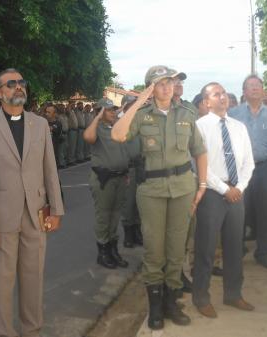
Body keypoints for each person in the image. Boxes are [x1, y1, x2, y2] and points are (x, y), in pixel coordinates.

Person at [111, 65, 208, 330]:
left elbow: (199, 150)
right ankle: (155, 307)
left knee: (176, 250)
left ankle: (171, 303)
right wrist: (141, 99)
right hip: (152, 190)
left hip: (183, 188)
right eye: (161, 83)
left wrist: (201, 184)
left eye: (170, 82)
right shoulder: (141, 115)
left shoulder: (186, 113)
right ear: (151, 87)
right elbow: (118, 134)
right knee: (155, 251)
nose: (167, 87)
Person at [0, 68, 64, 337]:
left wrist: (56, 210)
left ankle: (31, 330)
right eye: (10, 84)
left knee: (33, 279)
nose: (18, 87)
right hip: (1, 219)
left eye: (21, 82)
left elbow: (50, 169)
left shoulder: (40, 124)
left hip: (35, 215)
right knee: (2, 282)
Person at [193, 82, 255, 318]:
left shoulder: (239, 127)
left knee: (234, 247)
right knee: (206, 248)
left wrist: (238, 187)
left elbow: (248, 162)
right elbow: (200, 165)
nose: (223, 97)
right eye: (216, 94)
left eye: (224, 93)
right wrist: (222, 188)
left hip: (236, 193)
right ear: (206, 102)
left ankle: (233, 294)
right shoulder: (199, 127)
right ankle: (201, 297)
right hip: (211, 194)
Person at [229, 75, 267, 269]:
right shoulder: (233, 114)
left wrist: (262, 155)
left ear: (263, 91)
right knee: (239, 211)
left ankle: (263, 252)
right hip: (240, 170)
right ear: (244, 92)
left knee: (265, 211)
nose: (255, 88)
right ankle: (236, 252)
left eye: (258, 86)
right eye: (250, 86)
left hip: (265, 169)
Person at [83, 97, 130, 269]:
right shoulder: (97, 128)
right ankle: (103, 253)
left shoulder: (116, 128)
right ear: (100, 112)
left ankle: (113, 250)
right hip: (104, 179)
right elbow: (88, 137)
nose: (112, 112)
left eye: (113, 109)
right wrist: (97, 117)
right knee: (104, 216)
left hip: (120, 178)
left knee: (115, 215)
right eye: (109, 110)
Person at [118, 95, 143, 248]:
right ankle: (128, 234)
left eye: (136, 105)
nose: (135, 108)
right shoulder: (120, 123)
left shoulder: (141, 121)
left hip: (143, 166)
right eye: (131, 105)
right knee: (128, 203)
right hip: (128, 168)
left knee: (140, 203)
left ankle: (137, 232)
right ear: (125, 106)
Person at [55, 104, 69, 169]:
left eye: (63, 108)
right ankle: (61, 163)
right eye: (62, 108)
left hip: (66, 133)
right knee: (60, 150)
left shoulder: (65, 116)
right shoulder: (58, 116)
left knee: (65, 148)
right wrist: (60, 135)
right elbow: (59, 126)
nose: (63, 109)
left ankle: (64, 162)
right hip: (61, 133)